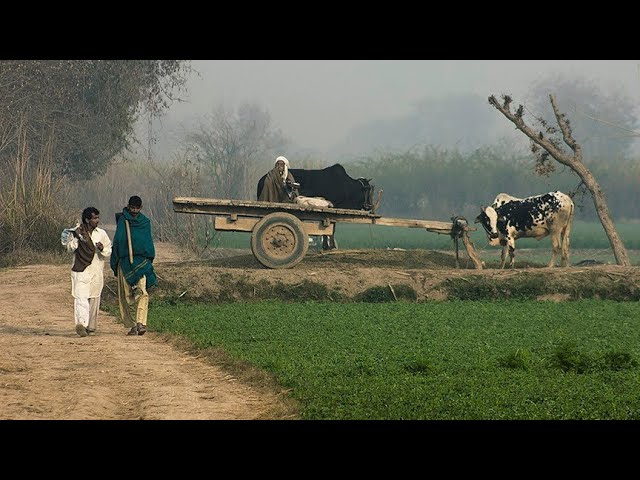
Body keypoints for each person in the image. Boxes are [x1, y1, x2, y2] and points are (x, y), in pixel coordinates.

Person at [61, 207, 112, 337]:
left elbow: (108, 250)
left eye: (98, 218)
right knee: (81, 298)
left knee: (94, 298)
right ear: (87, 220)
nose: (97, 220)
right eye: (94, 218)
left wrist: (102, 248)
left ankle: (92, 327)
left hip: (96, 270)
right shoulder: (77, 233)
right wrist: (78, 239)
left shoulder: (101, 233)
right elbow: (69, 248)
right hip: (81, 269)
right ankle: (81, 325)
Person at [110, 195, 157, 336]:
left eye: (137, 208)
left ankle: (141, 323)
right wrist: (116, 260)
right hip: (124, 262)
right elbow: (118, 242)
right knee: (126, 296)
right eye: (132, 208)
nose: (135, 211)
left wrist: (148, 260)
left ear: (141, 208)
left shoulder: (145, 222)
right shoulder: (122, 221)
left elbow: (148, 242)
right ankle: (131, 325)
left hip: (141, 263)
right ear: (128, 206)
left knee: (143, 293)